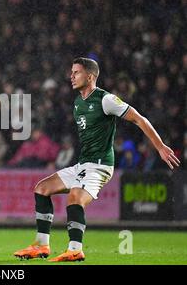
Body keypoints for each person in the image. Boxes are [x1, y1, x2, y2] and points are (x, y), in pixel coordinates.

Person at [14, 57, 180, 262]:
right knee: (42, 188)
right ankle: (41, 245)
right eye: (71, 72)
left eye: (76, 72)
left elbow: (138, 118)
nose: (71, 76)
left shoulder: (106, 99)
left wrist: (160, 147)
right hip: (84, 163)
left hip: (100, 166)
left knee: (75, 196)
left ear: (90, 76)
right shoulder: (77, 102)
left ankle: (75, 249)